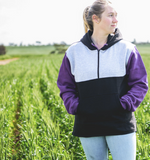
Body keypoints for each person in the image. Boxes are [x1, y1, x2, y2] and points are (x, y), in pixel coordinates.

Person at [57, 0, 148, 159]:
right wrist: (77, 106)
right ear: (95, 19)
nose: (116, 20)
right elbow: (66, 86)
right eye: (110, 15)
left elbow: (140, 84)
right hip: (88, 124)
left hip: (120, 123)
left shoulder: (127, 49)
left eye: (116, 16)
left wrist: (124, 104)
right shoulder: (74, 52)